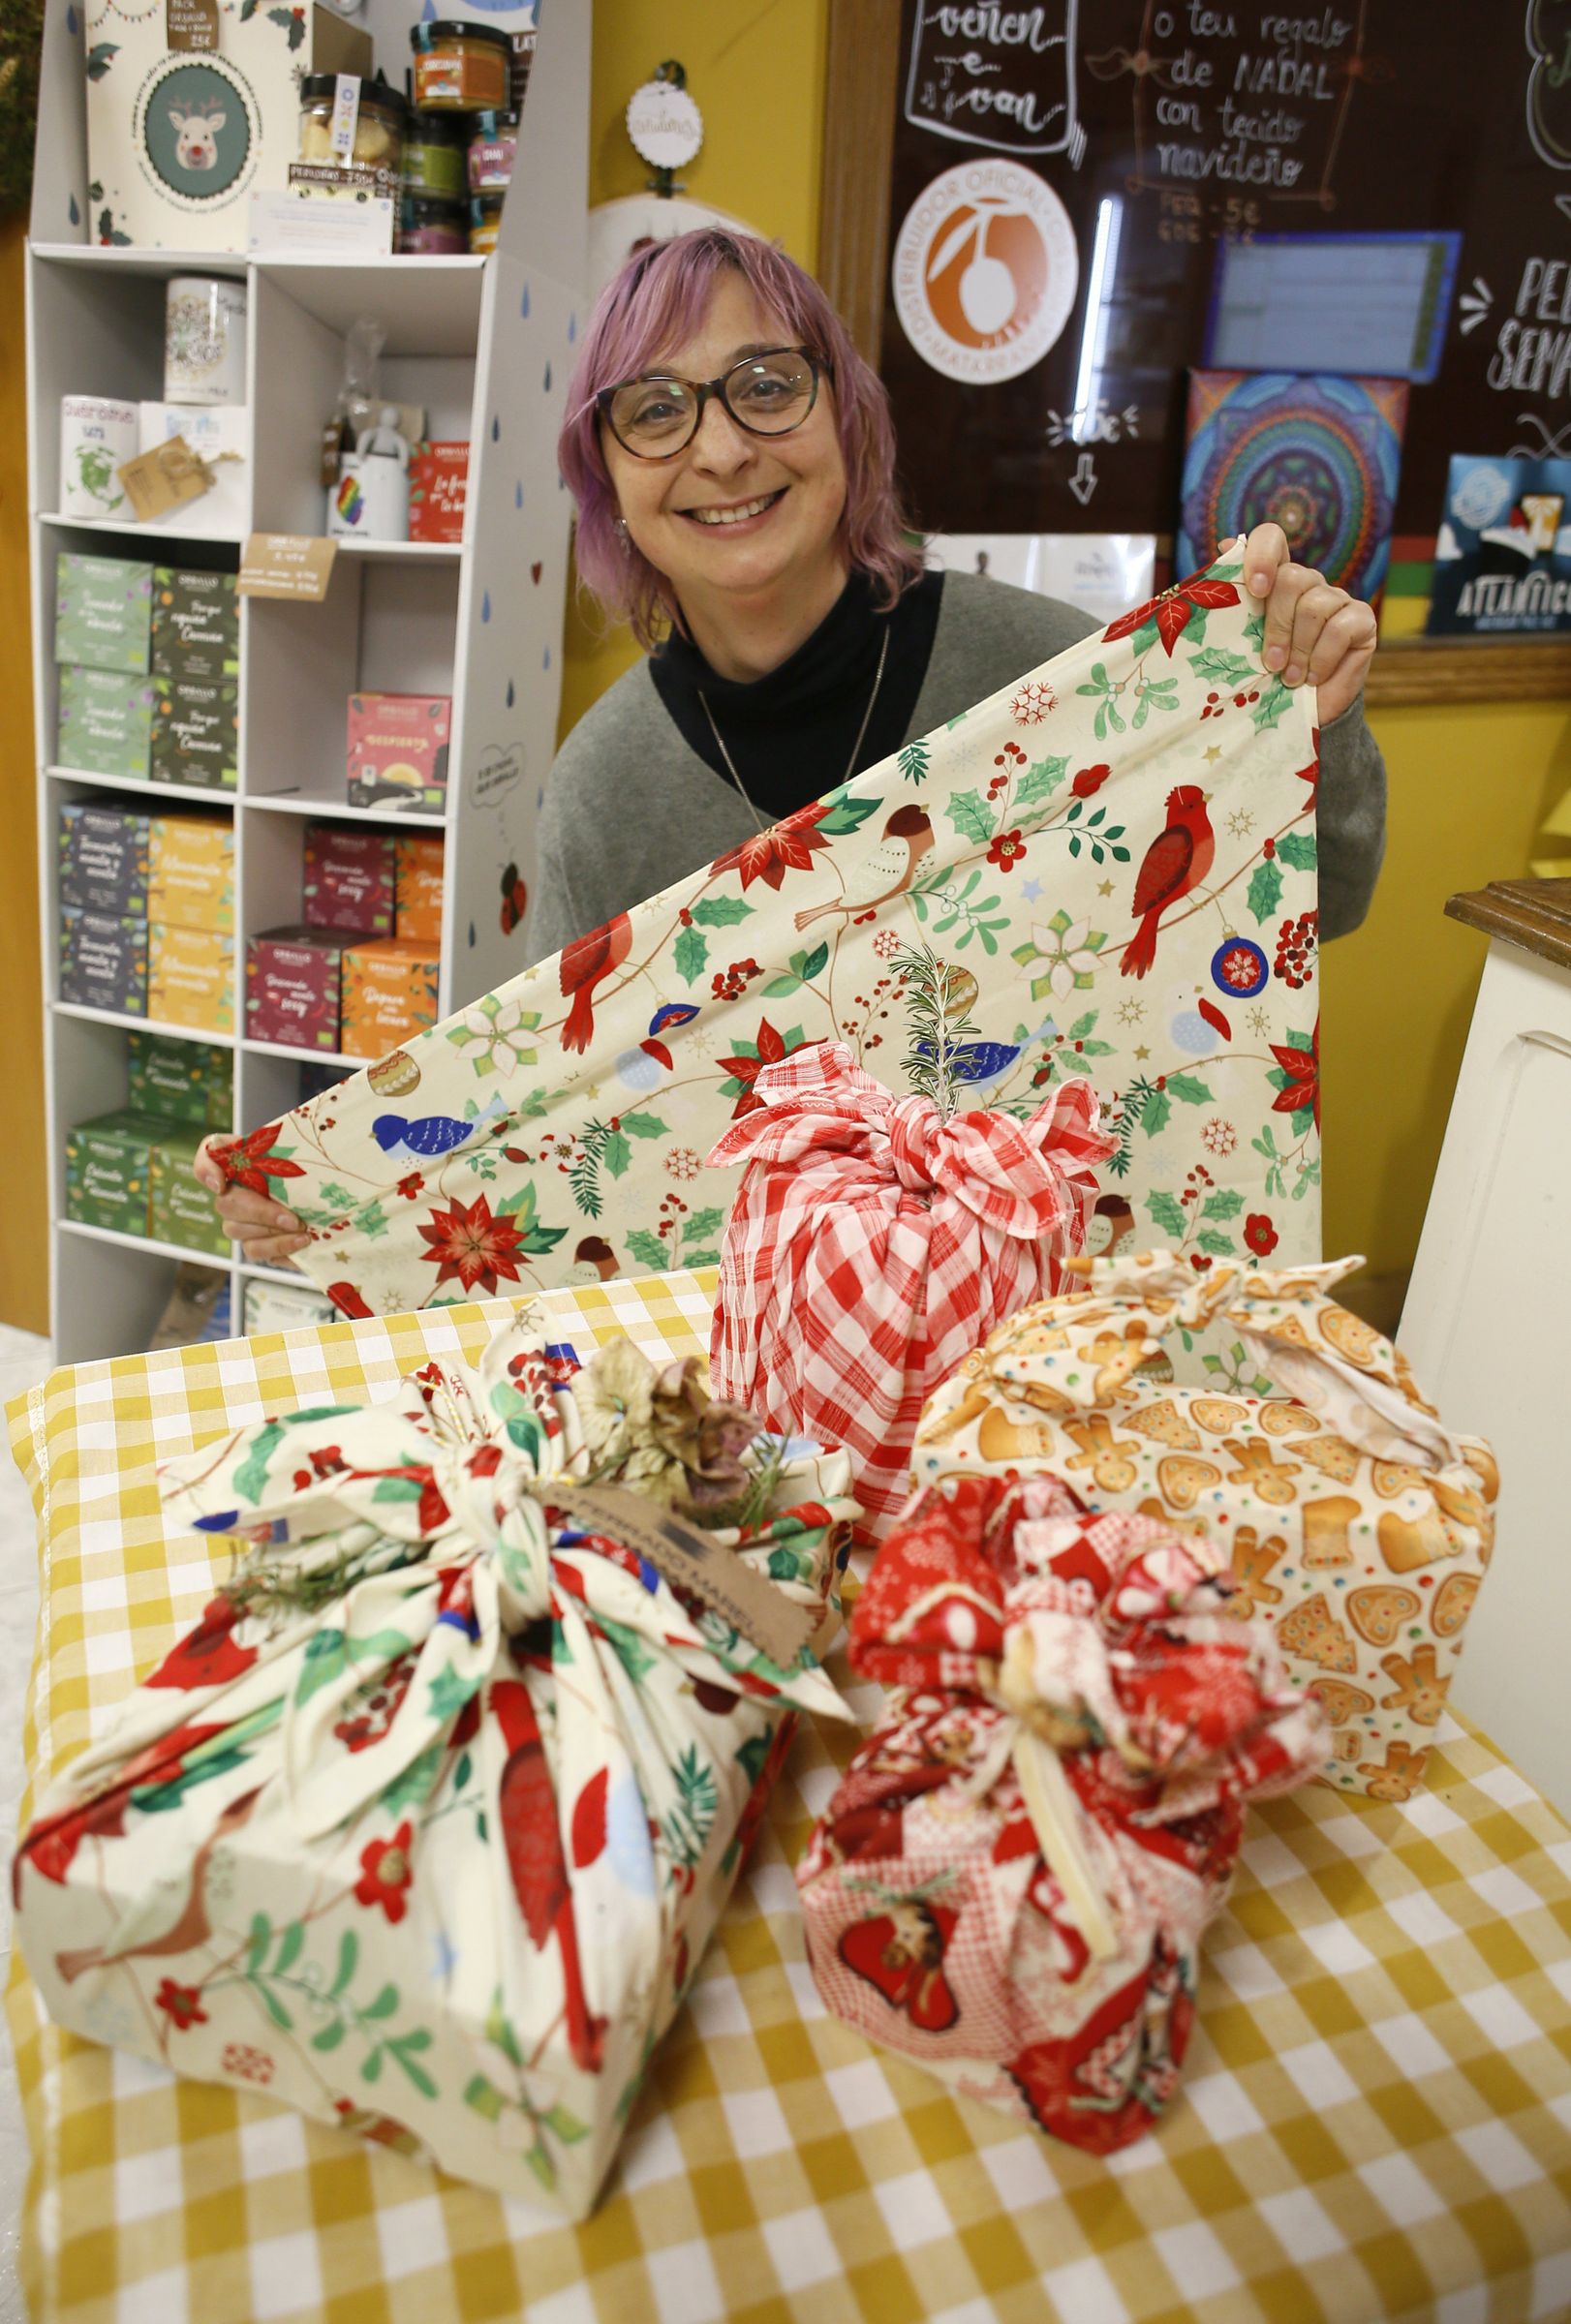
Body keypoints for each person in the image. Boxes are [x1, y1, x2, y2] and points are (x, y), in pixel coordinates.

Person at [198, 227, 1385, 1269]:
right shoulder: (604, 786)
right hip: (778, 1366)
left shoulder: (1046, 672)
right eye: (653, 410)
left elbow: (1313, 905)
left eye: (766, 385)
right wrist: (337, 1194)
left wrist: (1300, 714)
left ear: (845, 421)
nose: (719, 450)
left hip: (1054, 1316)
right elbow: (565, 1119)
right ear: (604, 480)